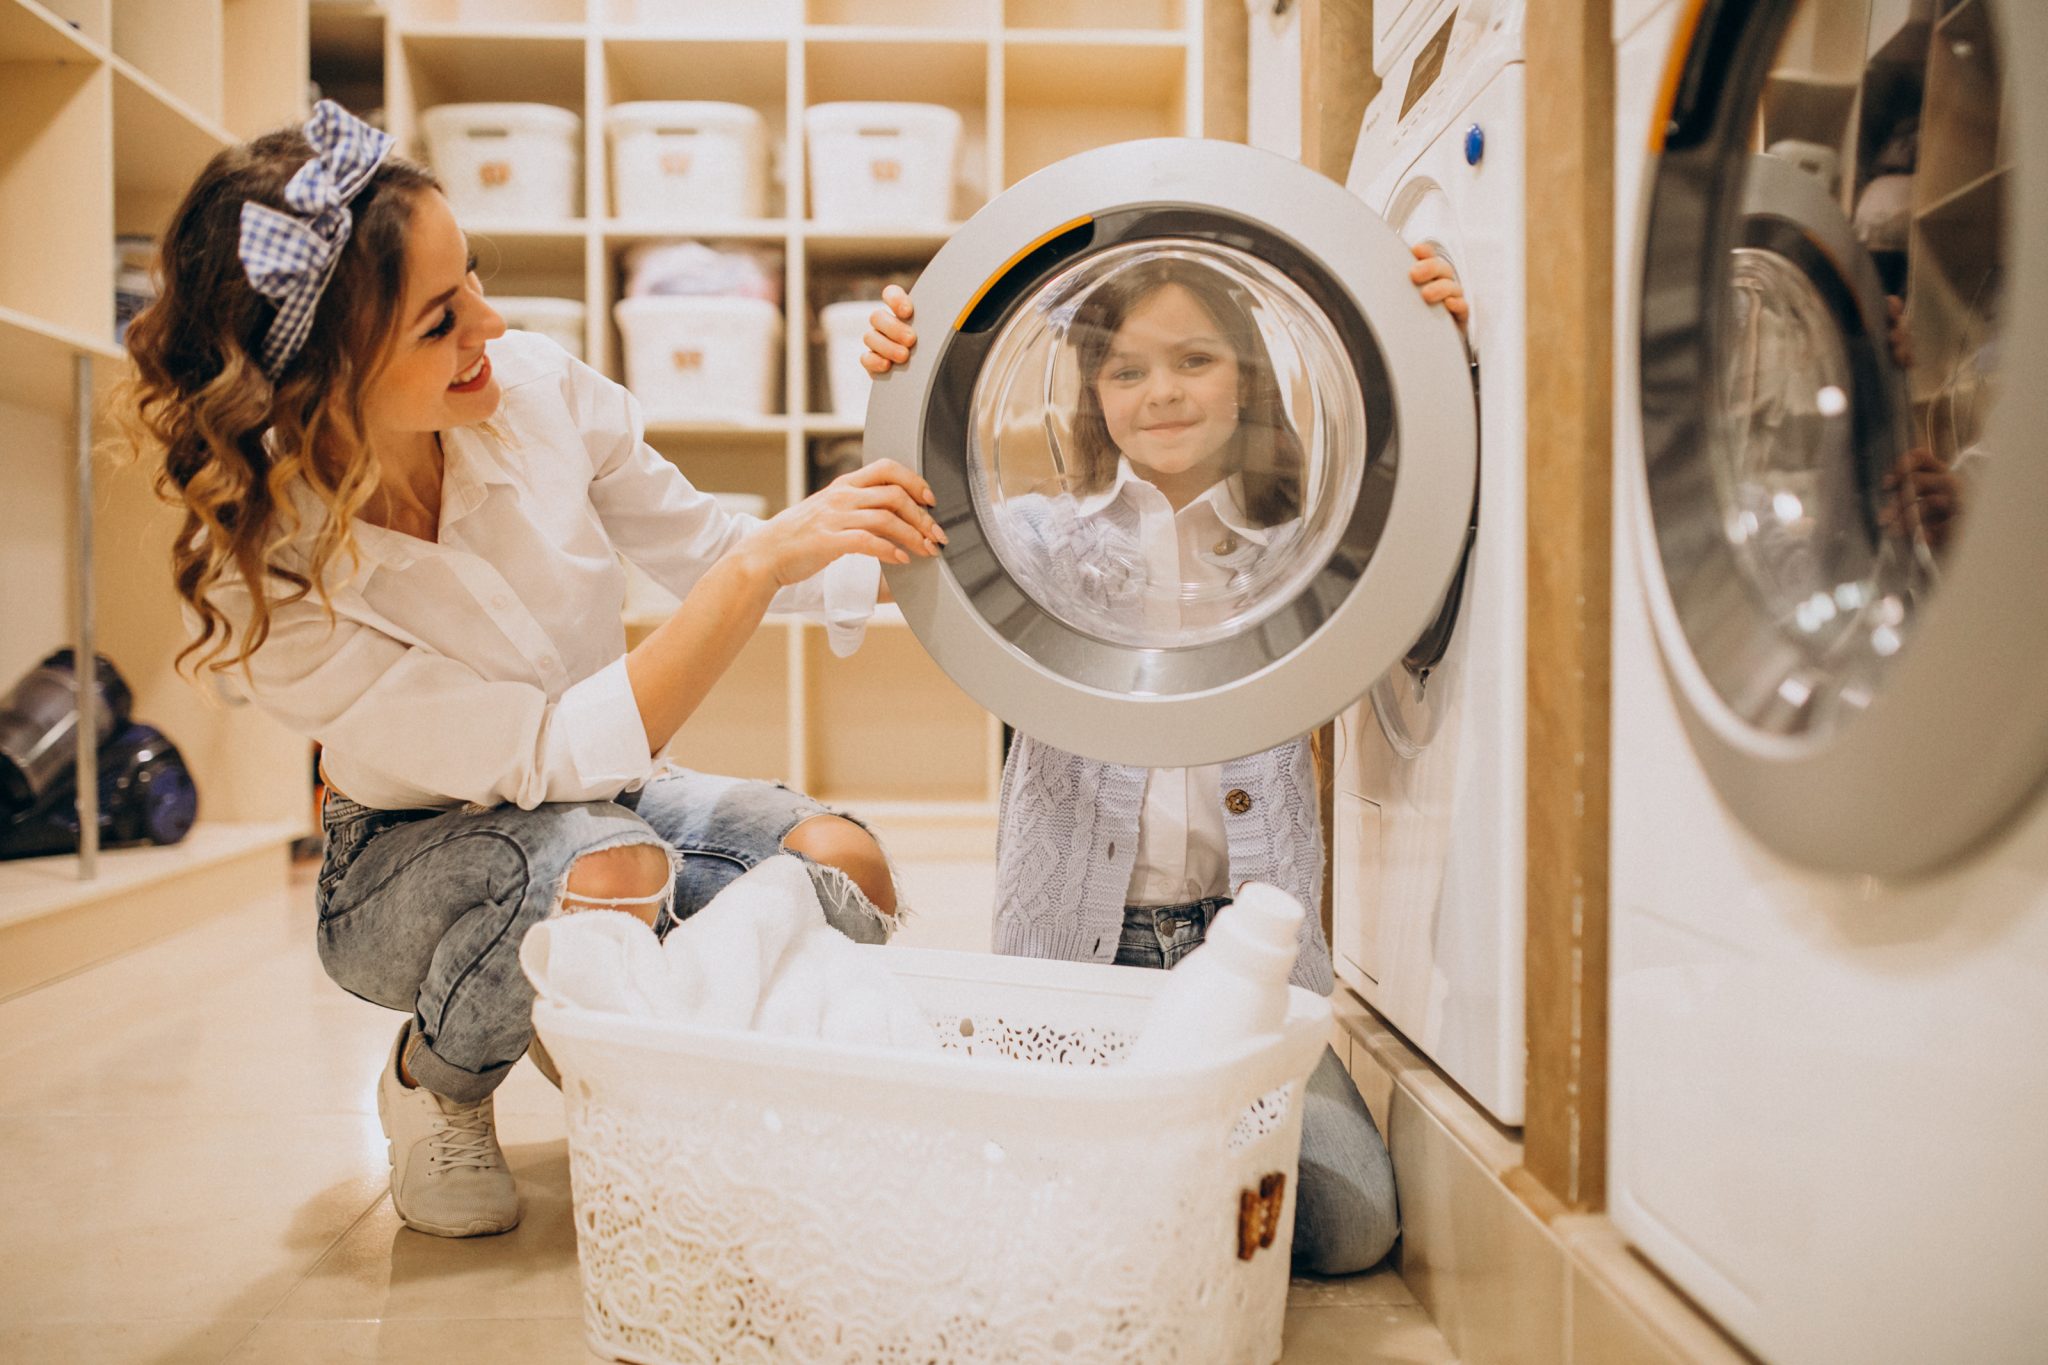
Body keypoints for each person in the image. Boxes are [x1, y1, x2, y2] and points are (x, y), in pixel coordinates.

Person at [119, 102, 948, 1239]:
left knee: (843, 866)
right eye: (440, 319)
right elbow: (545, 753)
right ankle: (437, 1084)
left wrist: (911, 422)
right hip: (406, 859)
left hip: (605, 807)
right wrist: (752, 573)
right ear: (321, 376)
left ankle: (657, 1057)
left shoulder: (536, 389)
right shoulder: (268, 587)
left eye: (476, 279)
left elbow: (708, 548)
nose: (490, 325)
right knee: (594, 864)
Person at [861, 242, 1468, 1275]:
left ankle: (1156, 1174)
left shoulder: (1310, 542)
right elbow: (904, 523)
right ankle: (1154, 1178)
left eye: (1195, 360)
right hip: (1080, 965)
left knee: (1348, 1224)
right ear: (1093, 394)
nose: (1161, 393)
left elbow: (1435, 553)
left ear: (1248, 375)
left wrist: (1447, 359)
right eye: (1126, 370)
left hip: (1250, 965)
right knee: (1032, 1221)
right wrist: (897, 370)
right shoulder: (1035, 541)